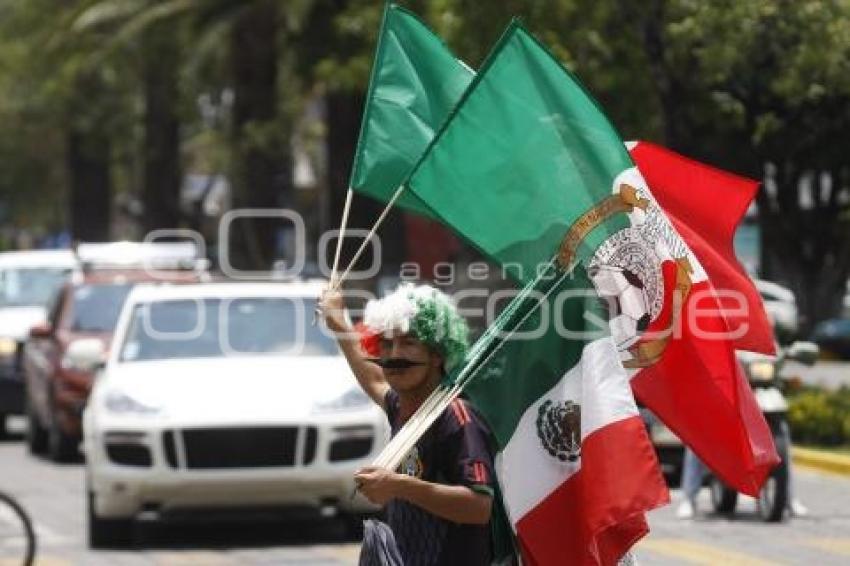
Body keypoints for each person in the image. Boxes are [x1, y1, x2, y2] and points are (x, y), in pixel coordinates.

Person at [319, 283, 495, 566]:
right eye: (386, 344)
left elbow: (479, 506)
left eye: (409, 342)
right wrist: (338, 321)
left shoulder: (456, 416)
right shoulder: (401, 405)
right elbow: (374, 379)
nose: (393, 355)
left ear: (437, 354)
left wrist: (398, 486)